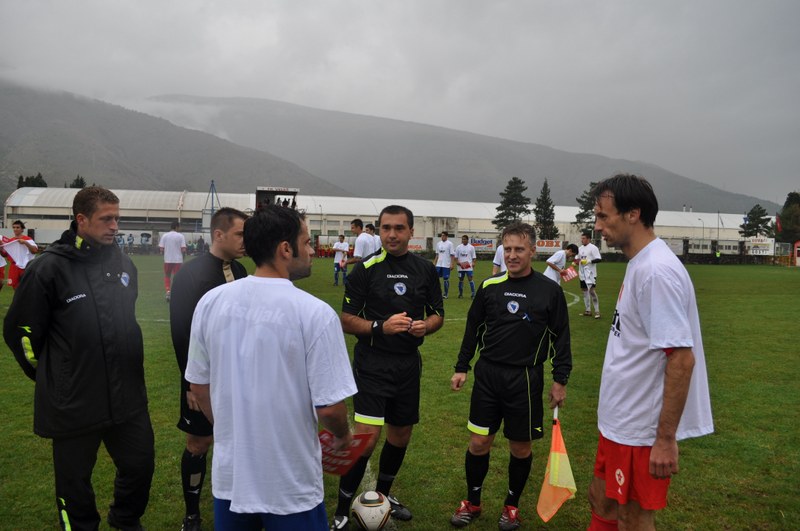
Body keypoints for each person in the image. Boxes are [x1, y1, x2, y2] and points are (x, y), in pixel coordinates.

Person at [185, 204, 356, 531]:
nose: (310, 250)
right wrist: (343, 438)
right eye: (306, 242)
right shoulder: (314, 313)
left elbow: (198, 386)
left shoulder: (211, 303)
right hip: (290, 483)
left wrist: (234, 428)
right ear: (285, 248)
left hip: (231, 478)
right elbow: (331, 410)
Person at [4, 186, 155, 531]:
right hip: (74, 402)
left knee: (141, 464)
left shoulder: (123, 263)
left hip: (127, 398)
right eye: (106, 219)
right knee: (75, 486)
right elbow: (21, 333)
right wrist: (54, 377)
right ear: (81, 220)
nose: (115, 226)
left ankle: (126, 520)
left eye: (117, 218)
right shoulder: (48, 269)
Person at [587, 174, 713, 531]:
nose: (598, 227)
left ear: (633, 214)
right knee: (602, 499)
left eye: (603, 216)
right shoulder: (639, 262)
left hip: (640, 430)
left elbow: (681, 358)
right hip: (618, 421)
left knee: (633, 517)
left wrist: (664, 439)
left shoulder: (657, 271)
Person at [449, 221, 572, 530]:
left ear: (533, 250)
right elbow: (473, 330)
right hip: (488, 376)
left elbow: (562, 339)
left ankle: (511, 507)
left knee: (521, 448)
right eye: (508, 249)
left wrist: (560, 380)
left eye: (519, 249)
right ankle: (473, 502)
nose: (513, 255)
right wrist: (462, 366)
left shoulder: (550, 292)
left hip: (526, 379)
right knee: (479, 443)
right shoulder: (490, 287)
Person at [332, 205, 444, 530]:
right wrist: (381, 327)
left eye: (398, 228)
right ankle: (341, 509)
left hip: (408, 365)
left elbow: (437, 312)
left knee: (401, 433)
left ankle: (382, 495)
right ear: (379, 231)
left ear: (411, 232)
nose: (392, 234)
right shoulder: (366, 269)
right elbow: (346, 320)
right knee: (367, 438)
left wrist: (427, 325)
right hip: (373, 364)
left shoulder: (424, 269)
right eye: (386, 228)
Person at [170, 207, 249, 531]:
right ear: (219, 235)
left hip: (239, 378)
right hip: (202, 380)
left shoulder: (242, 271)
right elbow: (181, 332)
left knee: (241, 440)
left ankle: (242, 501)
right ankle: (192, 512)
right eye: (240, 234)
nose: (246, 241)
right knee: (198, 444)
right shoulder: (193, 275)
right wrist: (191, 384)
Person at [2, 219, 39, 289]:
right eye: (14, 227)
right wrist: (1, 248)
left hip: (25, 266)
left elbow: (34, 251)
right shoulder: (11, 241)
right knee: (15, 287)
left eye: (17, 227)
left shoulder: (28, 239)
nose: (15, 229)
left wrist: (25, 243)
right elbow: (5, 255)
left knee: (26, 287)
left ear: (22, 229)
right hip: (14, 266)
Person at [577, 231, 602, 318]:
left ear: (588, 239)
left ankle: (597, 311)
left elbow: (599, 259)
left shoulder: (593, 248)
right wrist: (575, 262)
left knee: (591, 291)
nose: (582, 240)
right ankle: (588, 310)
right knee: (584, 291)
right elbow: (577, 259)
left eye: (583, 238)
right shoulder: (580, 248)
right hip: (582, 274)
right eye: (581, 238)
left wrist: (589, 261)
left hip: (590, 274)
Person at [160, 221, 187, 301]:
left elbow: (161, 249)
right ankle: (176, 293)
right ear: (176, 227)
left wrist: (165, 257)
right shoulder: (180, 236)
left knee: (167, 275)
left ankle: (168, 292)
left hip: (167, 259)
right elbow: (183, 249)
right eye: (179, 227)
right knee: (177, 277)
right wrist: (183, 257)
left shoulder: (165, 236)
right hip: (178, 260)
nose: (180, 228)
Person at [434, 231, 456, 298]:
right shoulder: (438, 244)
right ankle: (437, 293)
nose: (442, 237)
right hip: (439, 264)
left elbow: (452, 255)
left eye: (443, 235)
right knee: (436, 279)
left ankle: (445, 294)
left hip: (446, 264)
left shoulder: (450, 244)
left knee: (445, 279)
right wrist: (434, 262)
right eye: (441, 235)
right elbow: (437, 254)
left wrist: (452, 264)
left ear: (446, 236)